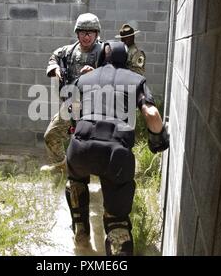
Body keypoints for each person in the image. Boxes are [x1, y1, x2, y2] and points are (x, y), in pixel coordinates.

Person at [65, 41, 169, 256]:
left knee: (76, 182)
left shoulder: (83, 79)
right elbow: (152, 115)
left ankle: (80, 227)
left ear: (101, 58)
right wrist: (157, 140)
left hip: (80, 146)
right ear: (126, 60)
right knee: (117, 222)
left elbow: (71, 111)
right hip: (115, 152)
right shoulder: (136, 79)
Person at [40, 13, 103, 173]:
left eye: (90, 32)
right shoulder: (68, 51)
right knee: (51, 136)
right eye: (83, 32)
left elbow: (115, 73)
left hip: (96, 110)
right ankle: (62, 167)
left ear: (96, 34)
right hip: (72, 106)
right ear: (77, 33)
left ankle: (99, 180)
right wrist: (54, 68)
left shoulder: (104, 53)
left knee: (94, 146)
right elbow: (54, 57)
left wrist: (96, 73)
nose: (86, 36)